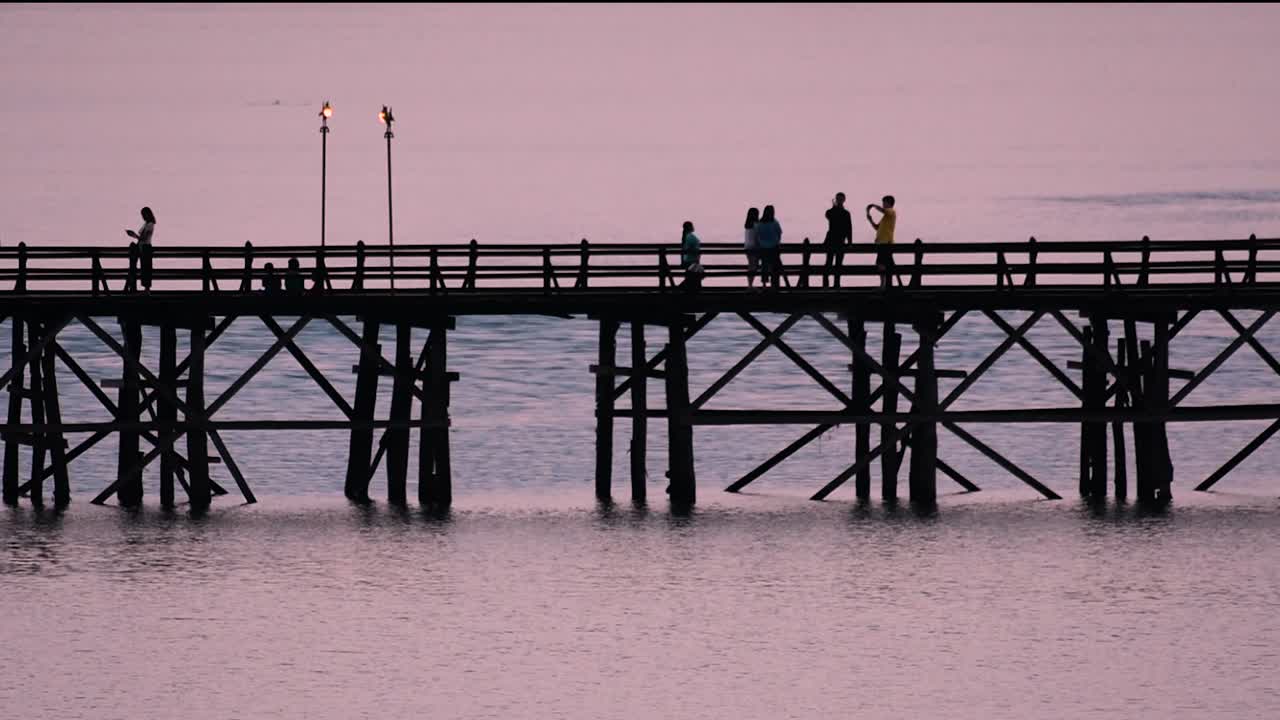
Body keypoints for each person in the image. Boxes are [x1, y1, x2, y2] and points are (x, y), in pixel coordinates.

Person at [866, 195, 896, 288]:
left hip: (885, 242)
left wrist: (874, 206)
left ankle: (883, 285)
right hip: (882, 242)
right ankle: (885, 284)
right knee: (885, 263)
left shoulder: (891, 211)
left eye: (884, 202)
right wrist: (870, 220)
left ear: (889, 203)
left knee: (881, 263)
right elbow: (877, 228)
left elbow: (883, 210)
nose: (883, 204)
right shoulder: (886, 217)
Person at [823, 192, 852, 288]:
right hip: (838, 241)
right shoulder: (845, 213)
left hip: (834, 241)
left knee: (830, 264)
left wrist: (833, 207)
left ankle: (828, 285)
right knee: (835, 264)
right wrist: (850, 242)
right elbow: (849, 229)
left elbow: (827, 215)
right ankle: (835, 285)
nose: (839, 201)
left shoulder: (834, 211)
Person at [125, 206, 156, 292]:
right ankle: (144, 289)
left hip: (146, 247)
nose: (142, 216)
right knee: (144, 268)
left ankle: (146, 289)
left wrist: (133, 235)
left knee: (146, 268)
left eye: (143, 214)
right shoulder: (146, 224)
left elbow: (144, 238)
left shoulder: (150, 225)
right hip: (143, 247)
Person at [754, 204, 783, 288]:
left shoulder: (760, 222)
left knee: (764, 266)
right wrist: (777, 241)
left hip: (763, 248)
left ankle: (764, 284)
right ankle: (774, 285)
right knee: (774, 266)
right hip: (774, 247)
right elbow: (779, 232)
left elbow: (757, 234)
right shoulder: (774, 222)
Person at [680, 221, 704, 290]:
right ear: (689, 227)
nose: (693, 227)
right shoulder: (690, 237)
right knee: (694, 280)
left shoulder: (686, 237)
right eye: (692, 225)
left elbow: (684, 250)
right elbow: (692, 248)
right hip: (692, 261)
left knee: (692, 279)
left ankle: (679, 290)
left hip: (689, 260)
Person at [743, 207, 761, 288]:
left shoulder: (747, 225)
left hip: (747, 247)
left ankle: (750, 285)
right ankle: (750, 285)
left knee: (751, 266)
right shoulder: (756, 225)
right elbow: (757, 237)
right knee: (753, 267)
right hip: (754, 248)